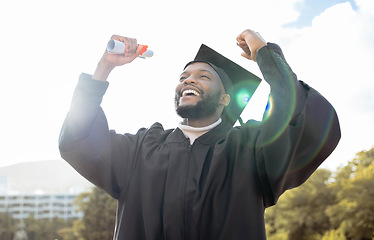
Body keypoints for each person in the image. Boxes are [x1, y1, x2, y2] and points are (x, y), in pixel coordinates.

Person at [59, 29, 341, 239]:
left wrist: (266, 54)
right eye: (184, 78)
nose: (189, 79)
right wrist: (105, 66)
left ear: (225, 99)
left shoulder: (250, 149)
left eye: (204, 76)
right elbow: (79, 138)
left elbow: (299, 119)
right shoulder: (142, 148)